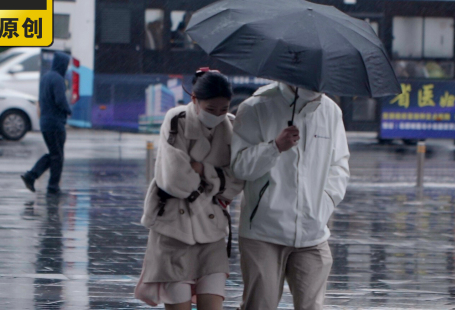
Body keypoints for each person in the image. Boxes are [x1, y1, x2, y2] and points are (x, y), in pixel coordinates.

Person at [231, 82, 350, 310]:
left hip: (313, 234)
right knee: (259, 305)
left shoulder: (331, 111)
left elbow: (340, 165)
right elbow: (239, 167)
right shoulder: (256, 106)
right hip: (264, 232)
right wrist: (274, 147)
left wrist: (324, 203)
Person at [135, 69, 244, 310]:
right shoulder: (177, 120)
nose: (217, 115)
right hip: (174, 228)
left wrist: (203, 170)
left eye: (223, 109)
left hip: (212, 231)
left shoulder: (233, 127)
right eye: (210, 109)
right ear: (194, 99)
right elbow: (175, 180)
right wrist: (216, 181)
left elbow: (237, 181)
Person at [21, 52, 72, 194]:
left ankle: (31, 176)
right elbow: (60, 100)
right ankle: (52, 187)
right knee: (57, 156)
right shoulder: (58, 79)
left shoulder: (46, 77)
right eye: (66, 64)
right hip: (55, 122)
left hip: (45, 122)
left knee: (54, 154)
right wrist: (68, 110)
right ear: (62, 64)